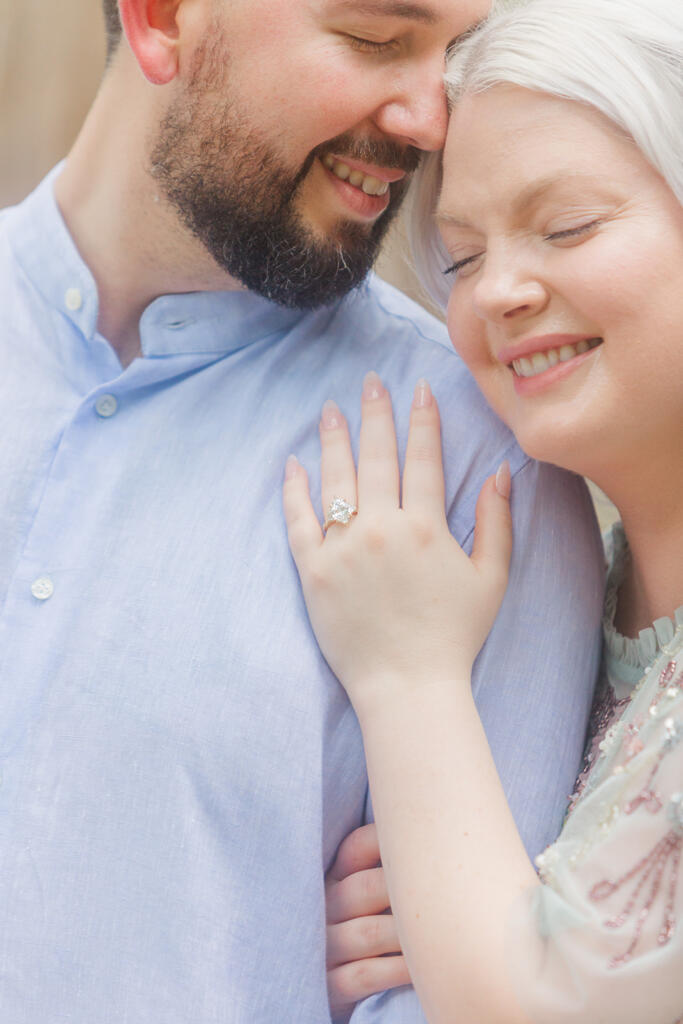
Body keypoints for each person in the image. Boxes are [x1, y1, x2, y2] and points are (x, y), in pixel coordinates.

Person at [0, 0, 604, 1020]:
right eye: (376, 39)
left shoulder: (479, 466)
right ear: (161, 18)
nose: (429, 119)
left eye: (453, 57)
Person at [282, 0, 683, 1020]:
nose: (497, 290)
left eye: (567, 227)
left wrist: (404, 672)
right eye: (458, 258)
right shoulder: (591, 599)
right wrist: (422, 905)